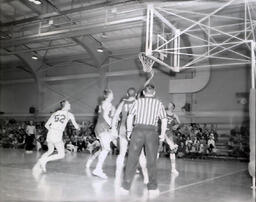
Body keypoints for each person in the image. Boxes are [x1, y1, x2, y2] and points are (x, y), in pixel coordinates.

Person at [121, 84, 167, 197]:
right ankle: (152, 188)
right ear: (154, 93)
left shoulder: (138, 102)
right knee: (151, 160)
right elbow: (164, 119)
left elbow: (130, 117)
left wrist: (129, 132)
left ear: (144, 93)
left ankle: (125, 187)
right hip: (152, 132)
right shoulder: (159, 103)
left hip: (138, 131)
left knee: (132, 158)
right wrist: (162, 134)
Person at [112, 87, 148, 184]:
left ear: (127, 94)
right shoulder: (139, 103)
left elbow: (115, 116)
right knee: (141, 154)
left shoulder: (123, 103)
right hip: (136, 129)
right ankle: (146, 177)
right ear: (136, 94)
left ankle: (117, 175)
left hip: (123, 128)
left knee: (122, 154)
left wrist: (114, 129)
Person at [36, 100, 80, 172]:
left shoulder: (55, 113)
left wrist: (52, 131)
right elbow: (76, 127)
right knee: (61, 154)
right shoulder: (69, 114)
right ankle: (44, 160)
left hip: (50, 133)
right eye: (68, 103)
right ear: (65, 105)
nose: (70, 104)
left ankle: (41, 163)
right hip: (57, 134)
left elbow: (46, 125)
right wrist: (78, 127)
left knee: (50, 150)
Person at [86, 89, 117, 179]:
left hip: (103, 127)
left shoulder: (103, 104)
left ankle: (92, 160)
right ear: (110, 95)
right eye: (112, 94)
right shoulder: (107, 104)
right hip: (103, 127)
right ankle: (98, 169)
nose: (113, 95)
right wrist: (112, 125)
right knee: (106, 149)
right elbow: (105, 116)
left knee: (104, 148)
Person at [164, 102, 180, 175]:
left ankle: (173, 169)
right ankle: (152, 167)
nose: (168, 105)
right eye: (168, 104)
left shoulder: (174, 115)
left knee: (172, 150)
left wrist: (177, 125)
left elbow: (179, 123)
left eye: (170, 104)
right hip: (162, 131)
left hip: (169, 132)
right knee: (157, 150)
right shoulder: (163, 112)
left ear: (173, 107)